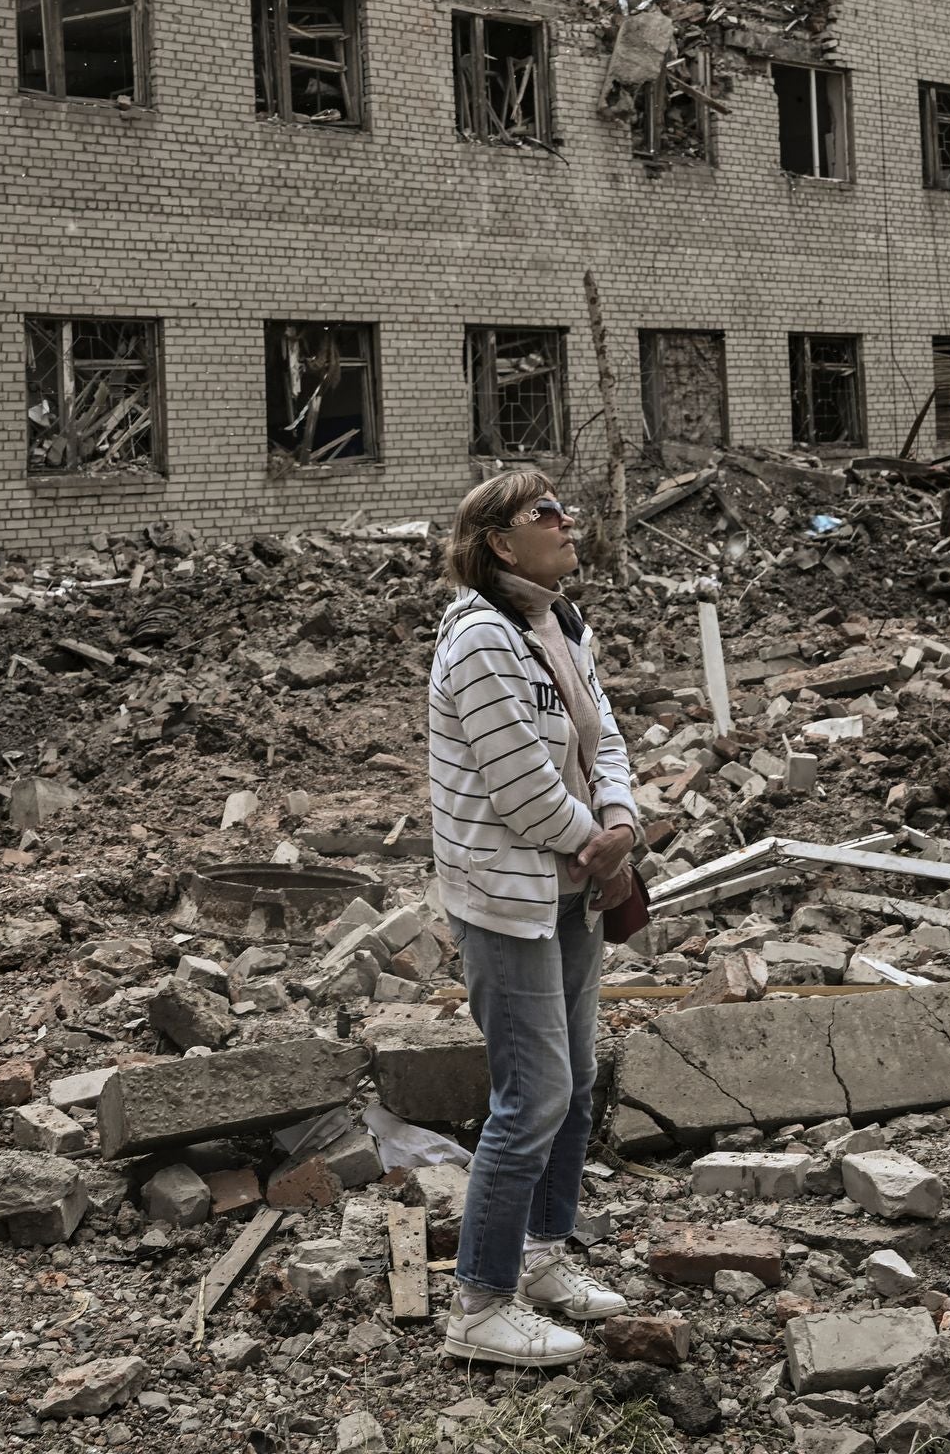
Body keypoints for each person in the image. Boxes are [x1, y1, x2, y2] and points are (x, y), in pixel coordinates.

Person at [427, 467, 640, 1367]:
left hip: (572, 893)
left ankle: (547, 1257)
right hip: (510, 900)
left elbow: (607, 738)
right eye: (543, 513)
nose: (567, 522)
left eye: (565, 507)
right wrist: (603, 844)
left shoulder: (561, 623)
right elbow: (521, 790)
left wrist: (621, 818)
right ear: (501, 545)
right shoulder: (479, 638)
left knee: (577, 1083)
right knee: (533, 1096)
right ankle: (480, 1303)